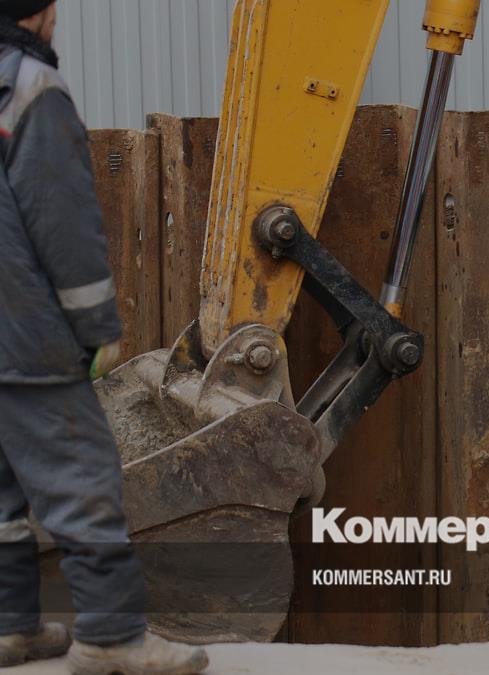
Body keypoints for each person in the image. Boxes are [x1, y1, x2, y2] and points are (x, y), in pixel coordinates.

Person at [0, 1, 207, 672]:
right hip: (24, 335)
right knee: (81, 479)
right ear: (38, 13)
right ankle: (112, 637)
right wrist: (95, 329)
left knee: (2, 495)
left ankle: (10, 627)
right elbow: (62, 223)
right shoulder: (31, 89)